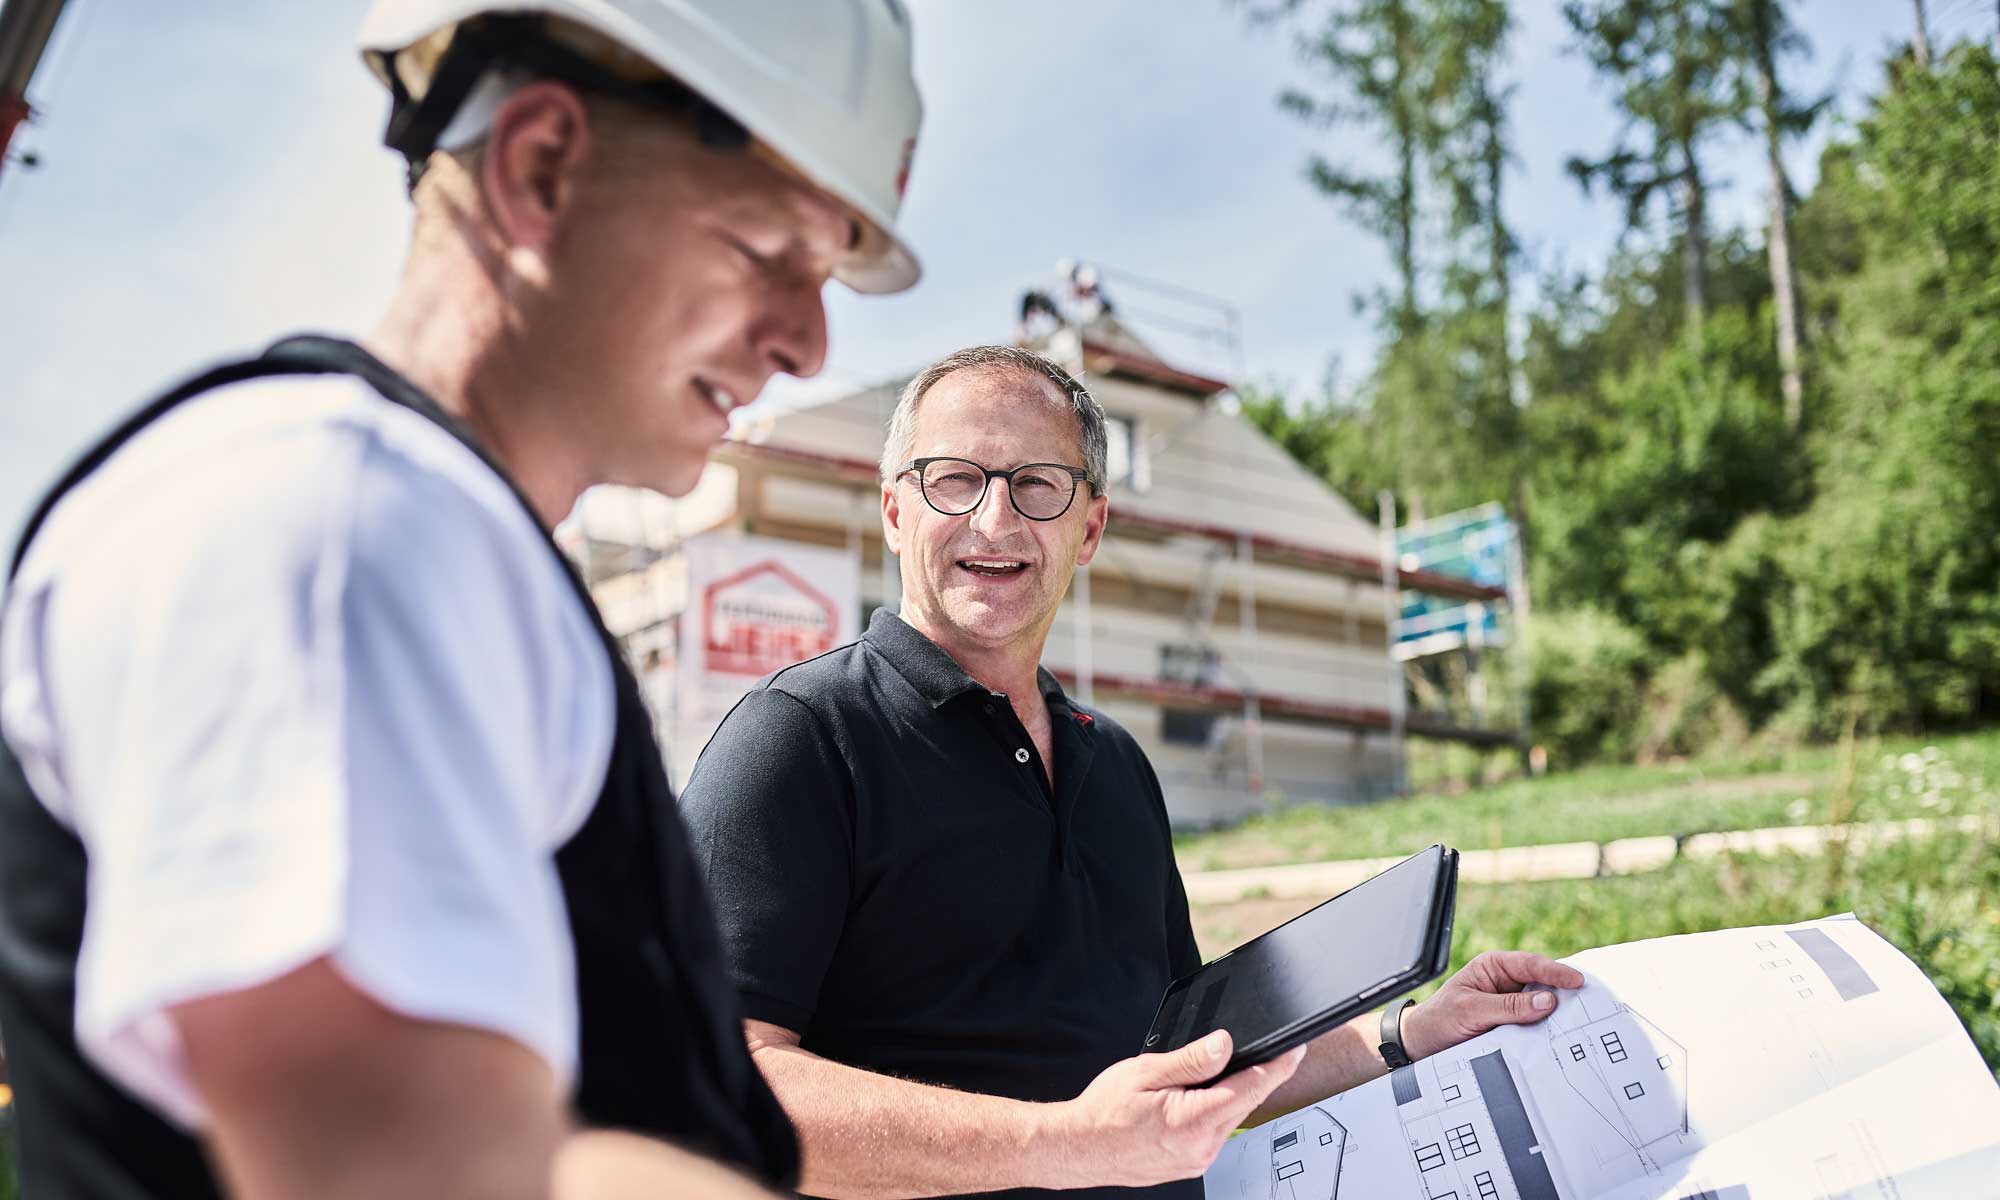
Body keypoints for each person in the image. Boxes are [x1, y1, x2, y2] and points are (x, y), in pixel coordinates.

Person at [0, 2, 924, 1196]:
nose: (806, 340)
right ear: (542, 164)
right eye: (768, 251)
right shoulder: (331, 520)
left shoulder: (438, 542)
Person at [678, 345, 1587, 1199]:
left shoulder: (1111, 762)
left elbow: (1193, 1058)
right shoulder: (799, 739)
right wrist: (1066, 1143)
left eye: (1038, 486)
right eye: (955, 480)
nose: (994, 520)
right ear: (894, 510)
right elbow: (715, 1085)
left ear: (1090, 527)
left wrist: (1408, 1032)